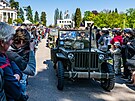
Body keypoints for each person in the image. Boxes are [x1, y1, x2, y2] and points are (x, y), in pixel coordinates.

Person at [0, 22, 28, 101]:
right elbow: (14, 90)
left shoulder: (3, 54)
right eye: (11, 39)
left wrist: (17, 73)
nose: (12, 41)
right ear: (2, 42)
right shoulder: (2, 63)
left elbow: (11, 62)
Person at [6, 28, 36, 94]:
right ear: (22, 42)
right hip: (16, 86)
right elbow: (32, 70)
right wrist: (31, 50)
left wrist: (23, 52)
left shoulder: (7, 49)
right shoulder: (13, 56)